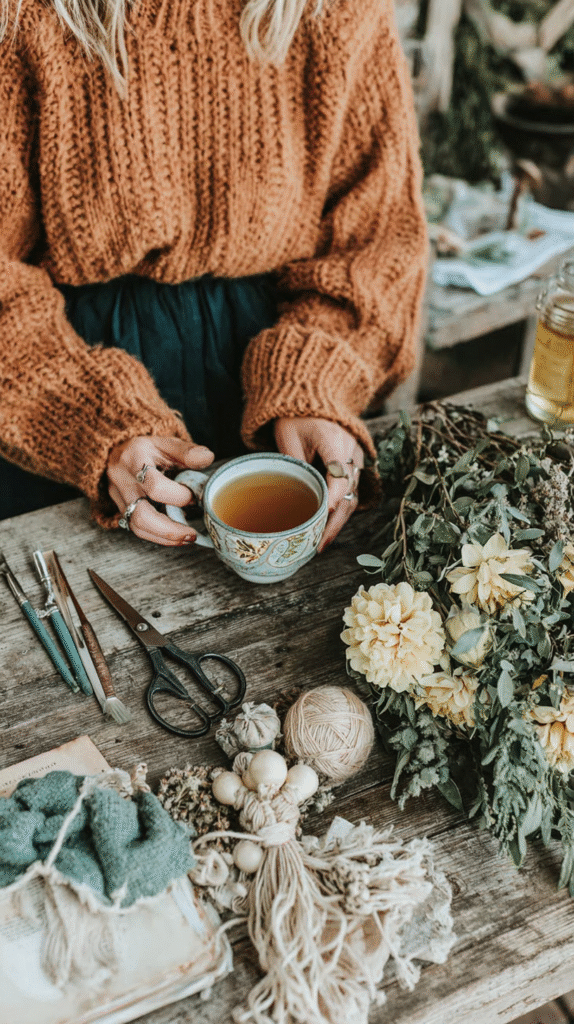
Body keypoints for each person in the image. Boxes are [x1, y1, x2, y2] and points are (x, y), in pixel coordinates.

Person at [0, 0, 427, 551]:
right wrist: (86, 418)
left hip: (272, 394)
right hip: (55, 381)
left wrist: (317, 379)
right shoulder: (23, 16)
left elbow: (376, 238)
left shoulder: (336, 10)